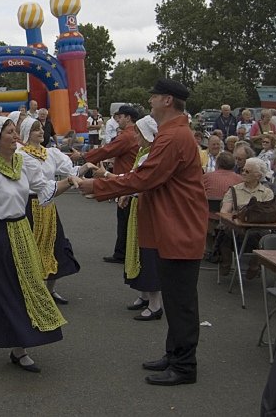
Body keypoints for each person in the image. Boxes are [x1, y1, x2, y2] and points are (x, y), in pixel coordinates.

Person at [77, 77, 207, 387]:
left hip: (179, 229)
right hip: (175, 228)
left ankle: (184, 365)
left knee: (181, 303)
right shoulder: (174, 133)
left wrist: (97, 186)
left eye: (154, 96)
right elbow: (144, 178)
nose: (149, 102)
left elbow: (144, 178)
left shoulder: (173, 137)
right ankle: (175, 355)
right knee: (176, 299)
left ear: (167, 101)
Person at [0, 115, 80, 373]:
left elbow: (45, 190)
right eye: (9, 132)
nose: (15, 136)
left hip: (22, 230)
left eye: (14, 131)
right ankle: (19, 348)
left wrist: (71, 181)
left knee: (26, 286)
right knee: (9, 289)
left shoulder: (22, 164)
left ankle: (7, 339)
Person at [16, 117, 82, 305]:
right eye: (36, 129)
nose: (40, 131)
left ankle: (50, 290)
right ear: (27, 133)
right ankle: (29, 292)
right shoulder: (20, 154)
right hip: (28, 205)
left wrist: (85, 167)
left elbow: (70, 171)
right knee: (30, 250)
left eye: (42, 128)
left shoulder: (50, 153)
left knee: (55, 246)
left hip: (48, 205)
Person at [75, 105, 140, 264]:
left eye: (121, 117)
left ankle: (122, 253)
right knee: (128, 219)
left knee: (124, 218)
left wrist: (84, 156)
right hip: (128, 179)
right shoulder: (133, 135)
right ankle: (125, 251)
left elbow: (107, 150)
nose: (118, 120)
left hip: (123, 180)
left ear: (128, 118)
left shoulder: (126, 136)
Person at [118, 115, 163, 321]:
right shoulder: (143, 153)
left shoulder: (150, 156)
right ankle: (144, 295)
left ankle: (155, 304)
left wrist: (111, 181)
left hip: (147, 208)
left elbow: (138, 180)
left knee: (147, 251)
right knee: (136, 248)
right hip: (139, 205)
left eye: (138, 132)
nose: (135, 136)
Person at [219, 157, 275, 279]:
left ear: (258, 176)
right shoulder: (234, 190)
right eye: (243, 170)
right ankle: (226, 260)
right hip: (237, 227)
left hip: (258, 227)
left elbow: (270, 214)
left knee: (265, 236)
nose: (243, 173)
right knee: (227, 231)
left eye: (247, 171)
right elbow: (224, 212)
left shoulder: (267, 193)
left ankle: (255, 264)